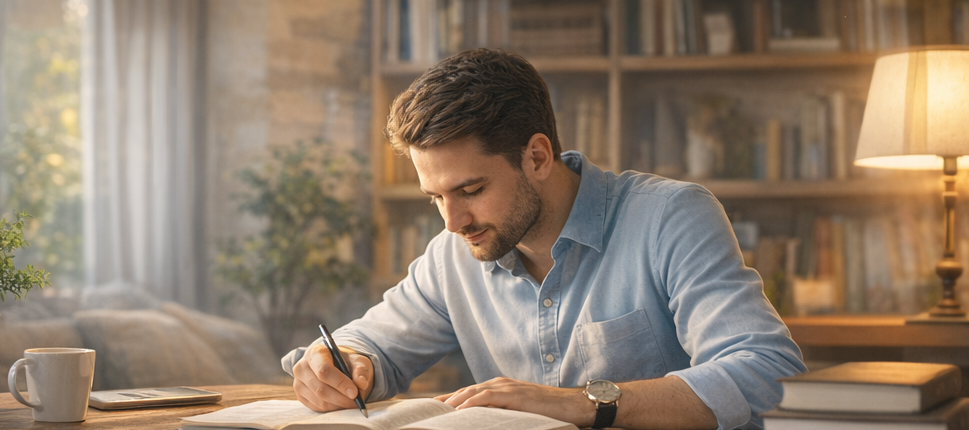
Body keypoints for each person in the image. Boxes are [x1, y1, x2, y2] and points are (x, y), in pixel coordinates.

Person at [283, 48, 806, 430]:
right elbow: (373, 347)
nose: (452, 221)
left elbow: (765, 372)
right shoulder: (453, 254)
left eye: (470, 189)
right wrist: (346, 363)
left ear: (536, 156)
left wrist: (583, 402)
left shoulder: (670, 217)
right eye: (435, 197)